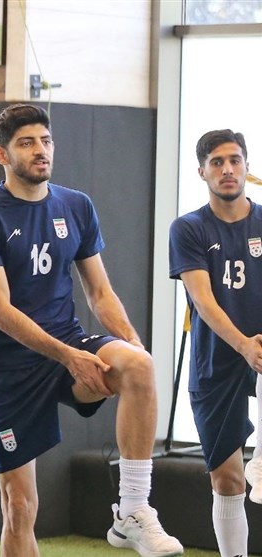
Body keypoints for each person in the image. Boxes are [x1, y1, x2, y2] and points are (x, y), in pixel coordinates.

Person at [0, 104, 183, 557]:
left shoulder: (76, 205)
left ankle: (132, 510)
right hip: (8, 366)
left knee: (139, 365)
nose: (40, 150)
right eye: (26, 143)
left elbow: (100, 292)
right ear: (2, 155)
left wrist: (133, 346)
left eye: (46, 141)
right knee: (20, 506)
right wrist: (68, 356)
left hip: (69, 342)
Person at [169, 129, 262, 557]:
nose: (227, 169)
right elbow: (203, 301)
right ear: (202, 172)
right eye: (217, 162)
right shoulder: (188, 228)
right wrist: (243, 345)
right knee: (227, 479)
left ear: (246, 166)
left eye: (234, 160)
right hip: (216, 361)